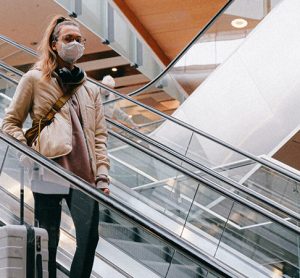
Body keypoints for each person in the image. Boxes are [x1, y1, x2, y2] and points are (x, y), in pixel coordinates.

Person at [1, 15, 110, 278]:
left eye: (78, 40)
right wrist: (29, 153)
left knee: (89, 238)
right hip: (49, 171)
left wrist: (103, 174)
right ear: (53, 44)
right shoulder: (35, 79)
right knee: (48, 240)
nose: (74, 44)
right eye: (68, 39)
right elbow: (9, 123)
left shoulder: (90, 89)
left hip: (84, 177)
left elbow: (99, 137)